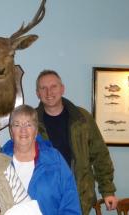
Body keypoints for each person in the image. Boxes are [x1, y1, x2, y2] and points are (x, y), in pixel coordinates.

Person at [35, 70, 118, 215]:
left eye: (53, 86)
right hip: (44, 199)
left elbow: (100, 155)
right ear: (37, 93)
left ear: (62, 89)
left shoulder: (82, 118)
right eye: (43, 88)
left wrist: (107, 191)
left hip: (79, 197)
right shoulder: (31, 122)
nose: (49, 92)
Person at [1, 104, 82, 215]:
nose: (23, 130)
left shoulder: (55, 160)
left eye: (28, 125)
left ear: (36, 131)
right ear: (11, 131)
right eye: (17, 125)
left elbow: (70, 204)